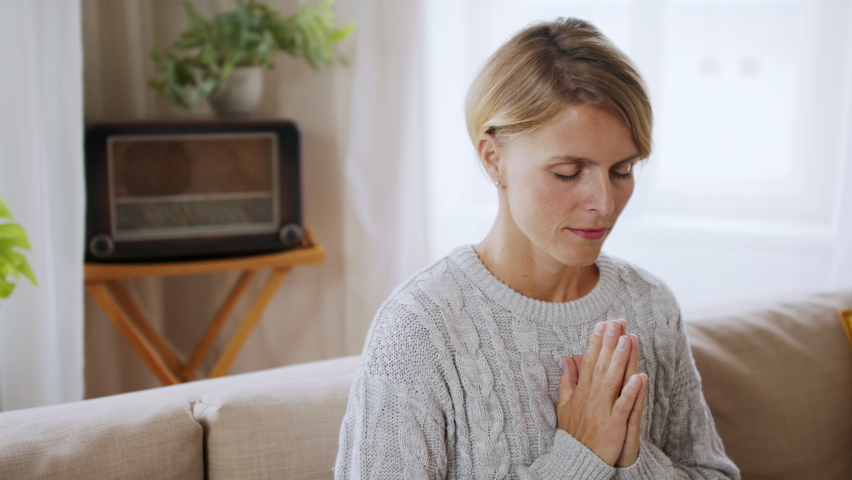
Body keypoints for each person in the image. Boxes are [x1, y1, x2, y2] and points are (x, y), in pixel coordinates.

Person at [335, 17, 739, 479]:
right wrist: (581, 459)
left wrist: (632, 461)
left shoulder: (650, 305)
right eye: (568, 172)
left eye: (622, 170)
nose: (604, 203)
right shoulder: (420, 330)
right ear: (494, 158)